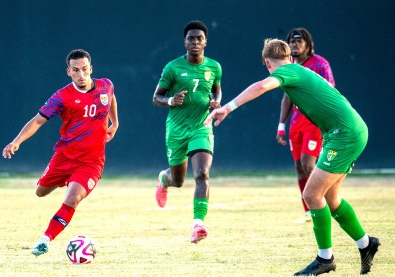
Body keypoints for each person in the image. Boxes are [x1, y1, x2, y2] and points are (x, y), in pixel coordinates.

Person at [204, 39, 380, 275]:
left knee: (311, 194)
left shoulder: (288, 71)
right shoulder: (297, 70)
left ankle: (325, 258)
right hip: (345, 131)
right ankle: (366, 244)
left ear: (268, 63)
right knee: (332, 199)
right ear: (288, 55)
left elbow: (261, 86)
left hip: (344, 134)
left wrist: (227, 107)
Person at [2, 49, 119, 256]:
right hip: (64, 156)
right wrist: (16, 141)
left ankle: (44, 240)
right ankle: (65, 178)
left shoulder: (105, 85)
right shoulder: (62, 96)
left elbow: (110, 98)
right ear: (68, 72)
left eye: (84, 69)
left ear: (91, 69)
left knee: (72, 199)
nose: (81, 75)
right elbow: (38, 120)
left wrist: (115, 122)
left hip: (92, 162)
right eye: (76, 70)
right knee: (41, 192)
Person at [153, 20, 222, 244]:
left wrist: (216, 103)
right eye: (191, 38)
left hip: (201, 127)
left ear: (206, 42)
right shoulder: (172, 68)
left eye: (199, 38)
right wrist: (171, 99)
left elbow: (216, 91)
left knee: (202, 174)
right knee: (179, 180)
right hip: (177, 129)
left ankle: (198, 225)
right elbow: (157, 97)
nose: (195, 42)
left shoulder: (214, 67)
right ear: (184, 42)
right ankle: (164, 180)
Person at [276, 28, 335, 223]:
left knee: (308, 164)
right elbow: (287, 97)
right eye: (292, 42)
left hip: (314, 123)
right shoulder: (289, 66)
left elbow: (330, 91)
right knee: (299, 167)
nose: (295, 45)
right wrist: (281, 126)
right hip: (296, 125)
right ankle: (309, 212)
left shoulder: (320, 64)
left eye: (300, 41)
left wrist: (325, 121)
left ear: (308, 45)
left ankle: (325, 206)